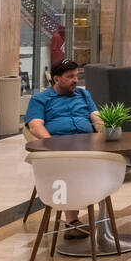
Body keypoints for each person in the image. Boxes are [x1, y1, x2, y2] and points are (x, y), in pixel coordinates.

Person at [25, 58, 102, 238]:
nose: (76, 80)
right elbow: (35, 126)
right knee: (69, 165)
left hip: (87, 145)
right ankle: (72, 221)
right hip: (59, 147)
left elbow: (97, 117)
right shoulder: (40, 99)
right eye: (70, 77)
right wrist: (53, 144)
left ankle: (99, 212)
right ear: (57, 79)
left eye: (76, 76)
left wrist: (107, 131)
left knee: (108, 165)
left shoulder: (84, 95)